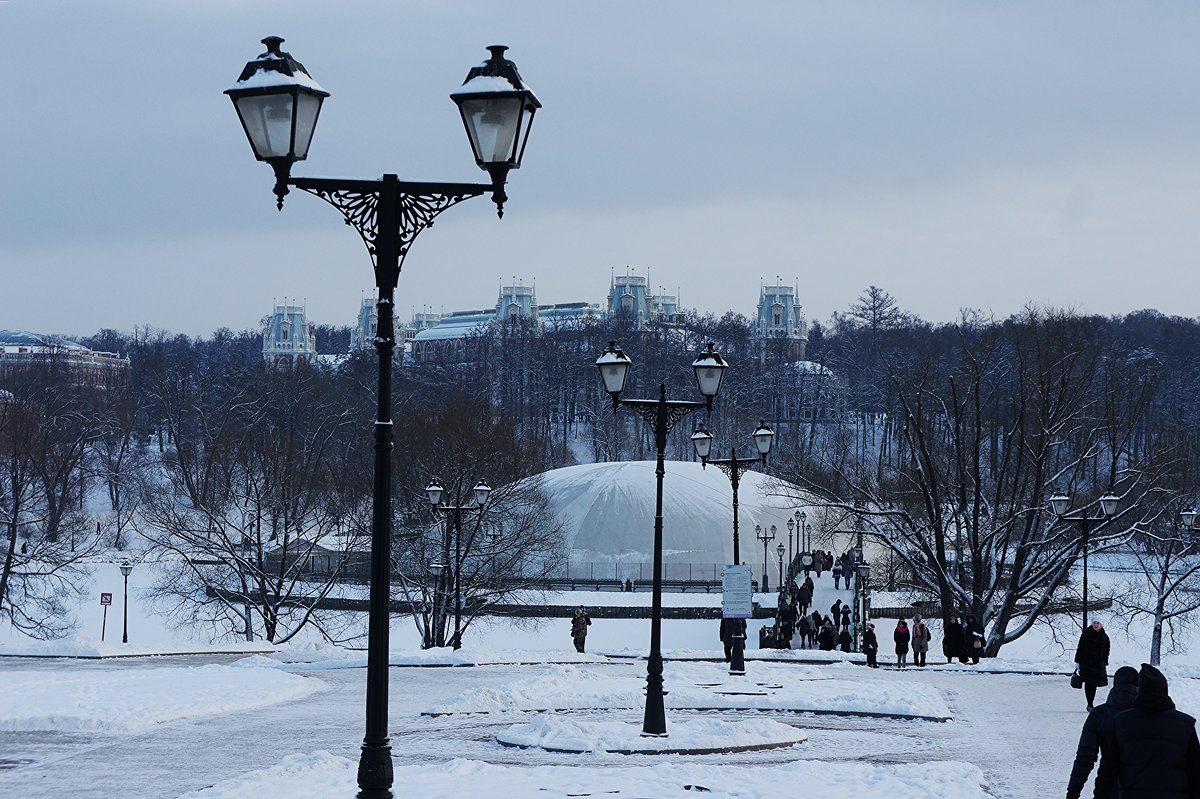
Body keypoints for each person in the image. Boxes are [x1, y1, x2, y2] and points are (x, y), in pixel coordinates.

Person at [1093, 663, 1200, 798]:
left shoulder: (1121, 722)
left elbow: (1107, 772)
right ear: (1164, 690)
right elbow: (1195, 774)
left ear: (1140, 691)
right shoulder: (1185, 724)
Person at [1065, 665, 1138, 799]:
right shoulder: (1149, 716)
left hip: (1108, 787)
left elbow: (1085, 757)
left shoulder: (1099, 715)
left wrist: (1073, 791)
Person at [1074, 620, 1111, 711]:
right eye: (1094, 623)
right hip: (1086, 663)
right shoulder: (1085, 635)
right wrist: (1077, 661)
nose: (1096, 625)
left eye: (1098, 623)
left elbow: (1107, 651)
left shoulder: (1105, 637)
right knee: (1088, 683)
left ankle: (1090, 703)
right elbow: (1080, 648)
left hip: (1098, 664)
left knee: (1094, 684)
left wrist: (1104, 662)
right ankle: (1090, 703)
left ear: (1101, 625)